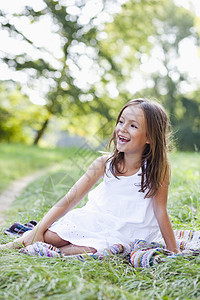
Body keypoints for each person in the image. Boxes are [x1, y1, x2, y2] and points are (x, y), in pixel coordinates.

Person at [0, 98, 178, 254]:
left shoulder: (157, 169)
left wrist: (174, 250)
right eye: (121, 121)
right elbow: (71, 198)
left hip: (129, 230)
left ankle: (41, 251)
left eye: (133, 125)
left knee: (91, 249)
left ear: (150, 137)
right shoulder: (104, 163)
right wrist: (39, 229)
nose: (122, 129)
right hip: (96, 219)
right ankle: (24, 242)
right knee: (50, 236)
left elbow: (160, 210)